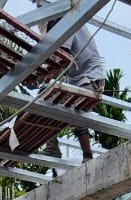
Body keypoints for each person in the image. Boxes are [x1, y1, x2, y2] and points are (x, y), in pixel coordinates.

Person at [43, 21, 105, 162]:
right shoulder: (69, 23)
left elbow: (62, 60)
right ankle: (51, 146)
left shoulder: (67, 23)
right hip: (78, 81)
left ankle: (87, 156)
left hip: (89, 79)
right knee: (46, 102)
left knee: (75, 114)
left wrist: (44, 75)